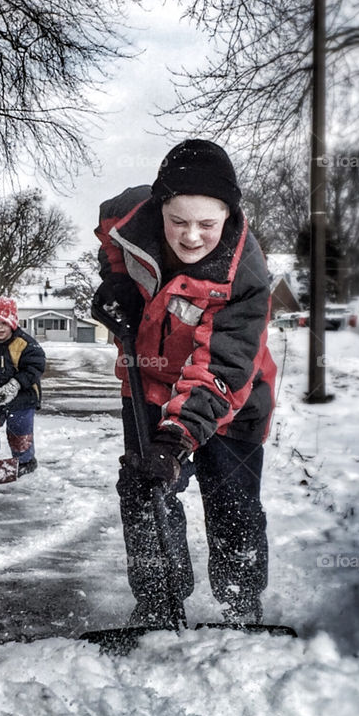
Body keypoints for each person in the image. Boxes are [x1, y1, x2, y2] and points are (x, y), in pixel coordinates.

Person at [93, 139, 276, 627]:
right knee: (143, 485)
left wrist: (177, 437)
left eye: (207, 224)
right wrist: (114, 283)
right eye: (178, 221)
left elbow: (222, 365)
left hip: (231, 395)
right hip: (148, 381)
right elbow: (112, 239)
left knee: (231, 497)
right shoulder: (129, 217)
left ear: (229, 214)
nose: (191, 236)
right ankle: (157, 602)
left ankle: (240, 604)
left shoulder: (245, 276)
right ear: (159, 208)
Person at [0, 296, 46, 475]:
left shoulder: (25, 344)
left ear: (12, 322)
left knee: (18, 428)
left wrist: (14, 385)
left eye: (4, 323)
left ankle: (25, 460)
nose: (0, 327)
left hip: (23, 397)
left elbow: (35, 366)